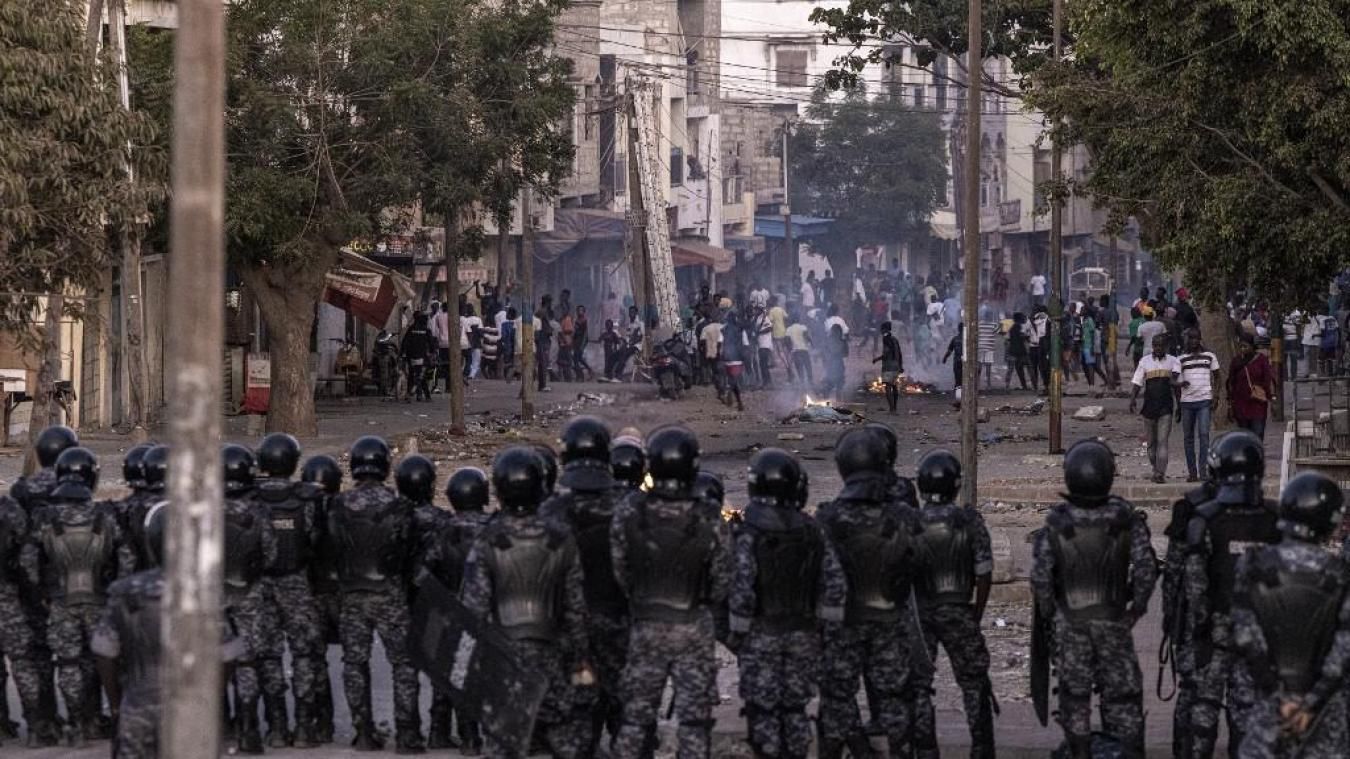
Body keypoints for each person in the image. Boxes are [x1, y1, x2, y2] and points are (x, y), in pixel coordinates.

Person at [461, 446, 591, 758]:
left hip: (504, 658)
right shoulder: (561, 538)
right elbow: (576, 610)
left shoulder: (487, 540)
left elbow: (472, 611)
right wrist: (581, 661)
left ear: (499, 490)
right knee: (564, 740)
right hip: (552, 655)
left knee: (503, 743)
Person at [1030, 440, 1156, 758]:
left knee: (1074, 699)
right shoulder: (1125, 519)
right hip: (1114, 621)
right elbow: (1146, 570)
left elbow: (1041, 580)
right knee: (1123, 698)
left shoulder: (1056, 524)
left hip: (1070, 624)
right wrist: (1135, 611)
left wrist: (1052, 617)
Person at [609, 426, 730, 758]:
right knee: (694, 720)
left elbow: (621, 571)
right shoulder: (710, 518)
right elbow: (721, 581)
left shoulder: (629, 512)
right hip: (694, 624)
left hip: (646, 623)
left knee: (635, 717)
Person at [93, 502, 241, 759]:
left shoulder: (125, 591)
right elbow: (227, 655)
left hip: (137, 706)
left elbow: (104, 652)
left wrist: (117, 704)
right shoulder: (203, 593)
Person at [728, 448, 846, 759]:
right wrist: (824, 633)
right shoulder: (813, 531)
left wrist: (738, 637)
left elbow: (741, 590)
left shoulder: (748, 534)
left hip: (761, 636)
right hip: (803, 635)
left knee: (763, 713)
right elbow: (834, 587)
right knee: (795, 709)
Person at [816, 428, 920, 758]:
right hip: (891, 621)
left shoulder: (826, 518)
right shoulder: (905, 517)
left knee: (835, 708)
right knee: (896, 712)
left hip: (842, 626)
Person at [1232, 473, 1350, 758]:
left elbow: (1246, 636)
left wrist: (1278, 695)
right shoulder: (1339, 574)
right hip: (1324, 712)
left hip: (1268, 704)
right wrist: (1310, 702)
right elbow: (1343, 650)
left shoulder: (1253, 565)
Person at [1182, 431, 1281, 759]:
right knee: (1247, 720)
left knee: (1202, 722)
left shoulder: (1206, 520)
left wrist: (1198, 631)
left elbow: (1195, 587)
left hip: (1214, 635)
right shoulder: (1275, 520)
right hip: (1260, 641)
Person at [325, 436, 422, 751]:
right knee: (403, 664)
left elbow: (330, 548)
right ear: (385, 467)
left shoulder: (337, 506)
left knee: (354, 663)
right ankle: (407, 733)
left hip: (353, 594)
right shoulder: (401, 506)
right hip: (390, 592)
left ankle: (363, 732)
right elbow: (410, 551)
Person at [540, 417, 629, 755]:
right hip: (621, 624)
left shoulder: (551, 511)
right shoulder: (630, 507)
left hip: (569, 631)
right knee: (624, 707)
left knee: (578, 709)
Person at [910, 450, 995, 759]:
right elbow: (984, 572)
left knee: (918, 686)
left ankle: (925, 748)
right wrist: (976, 614)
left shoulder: (911, 523)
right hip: (959, 608)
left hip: (922, 613)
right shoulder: (969, 522)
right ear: (955, 486)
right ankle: (983, 748)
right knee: (974, 684)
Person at [251, 433, 325, 747]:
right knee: (304, 654)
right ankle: (306, 727)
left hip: (261, 586)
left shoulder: (250, 498)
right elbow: (318, 541)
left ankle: (277, 726)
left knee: (268, 656)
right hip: (297, 583)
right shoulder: (308, 498)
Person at [220, 444, 278, 753]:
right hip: (249, 593)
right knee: (246, 662)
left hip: (213, 596)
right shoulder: (259, 513)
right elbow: (269, 554)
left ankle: (220, 723)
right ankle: (249, 727)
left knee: (215, 661)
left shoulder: (203, 512)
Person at [297, 454, 342, 745]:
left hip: (309, 592)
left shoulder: (298, 512)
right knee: (356, 662)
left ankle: (306, 725)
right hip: (343, 593)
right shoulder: (347, 511)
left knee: (309, 660)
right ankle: (365, 728)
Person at [1129, 334, 1182, 483]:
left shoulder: (1174, 361)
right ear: (1152, 346)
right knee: (1151, 445)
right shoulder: (1144, 362)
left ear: (1166, 346)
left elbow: (1176, 386)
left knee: (1163, 441)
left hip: (1166, 407)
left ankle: (1160, 473)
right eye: (1156, 345)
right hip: (1149, 407)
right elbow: (1137, 383)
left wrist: (1179, 405)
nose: (1158, 348)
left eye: (1161, 345)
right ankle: (1155, 468)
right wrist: (1132, 399)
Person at [1177, 329, 1221, 483]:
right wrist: (1180, 385)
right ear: (1187, 340)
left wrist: (1216, 396)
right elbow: (1174, 381)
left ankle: (1203, 471)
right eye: (1191, 339)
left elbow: (1217, 377)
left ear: (1200, 339)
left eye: (1196, 338)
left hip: (1204, 400)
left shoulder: (1209, 356)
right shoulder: (1181, 359)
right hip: (1187, 402)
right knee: (1188, 438)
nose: (1194, 341)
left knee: (1204, 436)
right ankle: (1192, 472)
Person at [1228, 335, 1275, 440]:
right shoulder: (1236, 361)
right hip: (1241, 405)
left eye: (1245, 346)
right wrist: (1231, 403)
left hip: (1257, 403)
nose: (1243, 349)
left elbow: (1267, 379)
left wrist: (1271, 397)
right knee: (1245, 437)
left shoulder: (1261, 360)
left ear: (1253, 346)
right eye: (1241, 347)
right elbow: (1231, 381)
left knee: (1258, 434)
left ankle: (1257, 455)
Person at [401, 311, 435, 402]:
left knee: (412, 375)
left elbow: (405, 342)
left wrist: (402, 354)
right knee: (421, 376)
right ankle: (425, 395)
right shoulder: (426, 330)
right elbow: (431, 344)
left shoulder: (411, 329)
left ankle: (410, 394)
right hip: (422, 357)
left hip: (411, 356)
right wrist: (433, 352)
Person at [872, 321, 904, 413]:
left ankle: (892, 409)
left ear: (885, 329)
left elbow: (886, 353)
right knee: (894, 386)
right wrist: (900, 365)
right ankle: (894, 407)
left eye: (882, 329)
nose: (881, 331)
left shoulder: (886, 339)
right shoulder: (895, 339)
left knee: (887, 387)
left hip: (888, 365)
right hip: (896, 365)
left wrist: (877, 359)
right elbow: (900, 353)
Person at [721, 310, 747, 411]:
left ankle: (732, 396)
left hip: (728, 358)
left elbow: (721, 343)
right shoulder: (741, 330)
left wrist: (721, 355)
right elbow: (745, 344)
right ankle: (738, 400)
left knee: (732, 379)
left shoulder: (723, 329)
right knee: (734, 379)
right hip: (737, 359)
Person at [819, 323, 848, 402]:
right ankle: (839, 403)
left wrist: (825, 363)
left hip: (830, 364)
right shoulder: (843, 341)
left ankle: (825, 402)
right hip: (839, 364)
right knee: (839, 385)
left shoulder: (827, 340)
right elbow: (846, 354)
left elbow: (823, 353)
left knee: (829, 384)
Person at [785, 311, 813, 387]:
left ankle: (802, 383)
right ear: (799, 319)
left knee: (799, 368)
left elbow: (787, 342)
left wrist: (790, 350)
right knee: (808, 367)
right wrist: (812, 345)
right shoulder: (803, 327)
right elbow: (807, 337)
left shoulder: (788, 330)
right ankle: (811, 382)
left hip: (795, 352)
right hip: (804, 350)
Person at [1004, 312, 1030, 391]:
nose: (1024, 319)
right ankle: (1026, 385)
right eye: (1022, 317)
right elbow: (1024, 337)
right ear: (1019, 319)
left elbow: (1007, 340)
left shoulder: (1012, 327)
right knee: (1027, 368)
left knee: (1012, 369)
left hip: (1012, 351)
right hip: (1020, 352)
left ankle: (1007, 386)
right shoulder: (1019, 327)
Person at [976, 307, 999, 390]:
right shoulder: (993, 325)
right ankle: (988, 384)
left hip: (980, 347)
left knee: (979, 365)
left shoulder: (979, 324)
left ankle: (977, 383)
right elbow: (998, 331)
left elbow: (976, 334)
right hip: (989, 347)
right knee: (988, 365)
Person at [432, 302, 451, 392]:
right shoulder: (453, 316)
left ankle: (436, 385)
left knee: (442, 364)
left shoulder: (438, 317)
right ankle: (448, 387)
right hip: (451, 344)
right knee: (450, 365)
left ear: (442, 308)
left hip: (442, 343)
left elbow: (437, 331)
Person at [461, 303, 484, 381]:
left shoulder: (464, 319)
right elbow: (481, 332)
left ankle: (466, 373)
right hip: (476, 342)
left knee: (467, 360)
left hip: (466, 342)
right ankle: (471, 375)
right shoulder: (478, 319)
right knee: (476, 361)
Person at [572, 304, 592, 381]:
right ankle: (588, 370)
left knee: (576, 359)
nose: (579, 312)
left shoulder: (584, 320)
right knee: (578, 358)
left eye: (581, 310)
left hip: (581, 341)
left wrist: (582, 345)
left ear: (584, 312)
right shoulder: (576, 320)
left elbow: (585, 334)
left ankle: (580, 375)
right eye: (578, 310)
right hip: (576, 340)